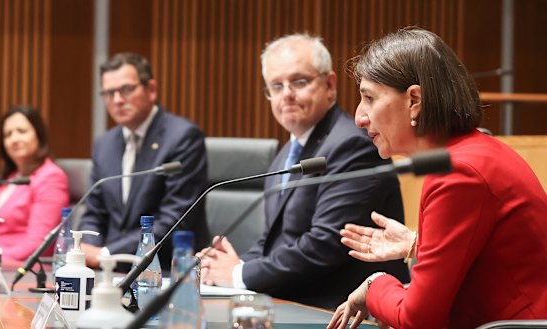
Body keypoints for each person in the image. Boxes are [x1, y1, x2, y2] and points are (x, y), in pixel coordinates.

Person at [328, 27, 547, 329]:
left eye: (369, 98)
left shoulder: (459, 172)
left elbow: (418, 319)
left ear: (414, 100)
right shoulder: (472, 152)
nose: (359, 117)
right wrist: (418, 245)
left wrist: (375, 285)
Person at [198, 33, 409, 310]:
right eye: (276, 85)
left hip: (341, 309)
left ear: (329, 84)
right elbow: (274, 240)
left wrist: (239, 274)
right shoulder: (287, 153)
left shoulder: (353, 145)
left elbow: (325, 244)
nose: (286, 94)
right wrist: (224, 266)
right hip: (295, 301)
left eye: (299, 81)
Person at [78, 52, 209, 270]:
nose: (118, 100)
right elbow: (94, 212)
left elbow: (174, 220)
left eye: (127, 90)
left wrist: (105, 254)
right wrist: (86, 250)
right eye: (110, 93)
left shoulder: (183, 137)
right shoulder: (105, 144)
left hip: (164, 271)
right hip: (108, 270)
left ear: (151, 90)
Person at [0, 105, 69, 261]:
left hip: (14, 268)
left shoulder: (51, 177)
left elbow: (37, 244)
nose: (14, 139)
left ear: (38, 135)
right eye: (7, 134)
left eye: (22, 131)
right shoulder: (9, 177)